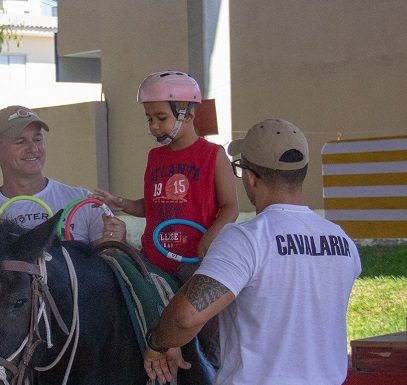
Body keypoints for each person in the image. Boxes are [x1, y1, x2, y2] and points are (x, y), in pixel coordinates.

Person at [142, 119, 362, 385]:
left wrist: (159, 343)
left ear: (249, 176)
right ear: (301, 173)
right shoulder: (342, 241)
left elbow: (185, 317)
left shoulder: (246, 239)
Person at [0, 105, 126, 287]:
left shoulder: (84, 203)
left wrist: (118, 243)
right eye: (20, 141)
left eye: (37, 139)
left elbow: (110, 276)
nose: (33, 148)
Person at [92, 70, 238, 282]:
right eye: (149, 118)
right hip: (153, 258)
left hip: (194, 259)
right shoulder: (155, 157)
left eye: (161, 118)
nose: (154, 126)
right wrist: (121, 202)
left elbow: (230, 206)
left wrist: (211, 236)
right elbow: (153, 205)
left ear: (188, 116)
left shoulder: (213, 155)